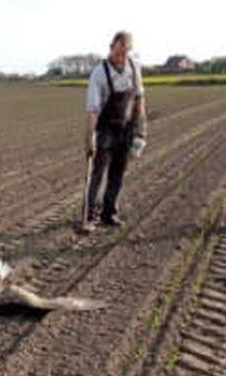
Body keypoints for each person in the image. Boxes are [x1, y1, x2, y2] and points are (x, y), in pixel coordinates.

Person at [83, 31, 147, 231]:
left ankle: (109, 213)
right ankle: (89, 216)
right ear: (111, 47)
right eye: (118, 52)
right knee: (98, 173)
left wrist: (141, 132)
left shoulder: (134, 68)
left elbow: (139, 100)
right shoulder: (99, 73)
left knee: (118, 174)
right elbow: (93, 109)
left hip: (126, 128)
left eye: (125, 54)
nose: (121, 58)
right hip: (106, 129)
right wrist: (89, 138)